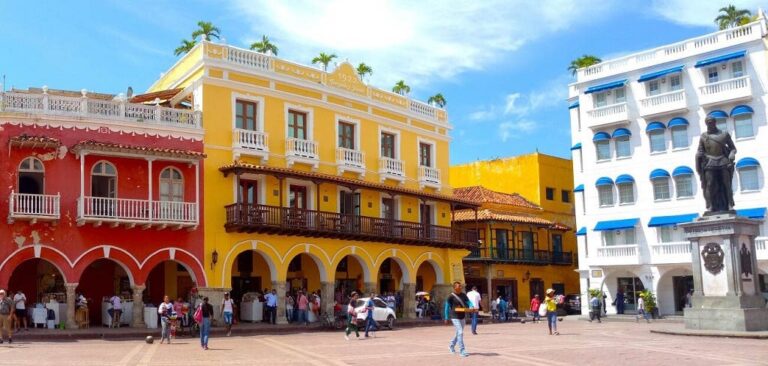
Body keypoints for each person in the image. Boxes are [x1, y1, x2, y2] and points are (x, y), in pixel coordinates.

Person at [696, 115, 737, 213]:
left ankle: (729, 204)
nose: (710, 124)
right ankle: (710, 206)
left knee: (726, 184)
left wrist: (731, 154)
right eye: (708, 122)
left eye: (712, 122)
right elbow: (700, 150)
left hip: (723, 161)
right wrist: (699, 155)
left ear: (715, 123)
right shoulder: (703, 136)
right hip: (710, 162)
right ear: (706, 124)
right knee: (710, 184)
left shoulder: (724, 134)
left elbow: (733, 148)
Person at [445, 282, 471, 358]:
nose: (460, 287)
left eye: (461, 286)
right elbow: (446, 307)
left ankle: (451, 345)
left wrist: (472, 306)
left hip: (462, 316)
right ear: (455, 287)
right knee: (460, 332)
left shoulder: (463, 295)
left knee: (458, 333)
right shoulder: (451, 296)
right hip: (454, 316)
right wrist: (446, 317)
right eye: (459, 286)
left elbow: (468, 302)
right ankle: (462, 350)